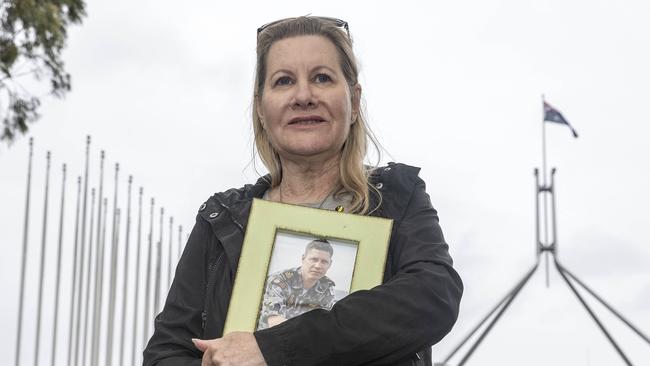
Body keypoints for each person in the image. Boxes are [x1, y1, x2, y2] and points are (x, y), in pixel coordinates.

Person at [143, 16, 463, 366]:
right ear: (261, 109)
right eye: (283, 81)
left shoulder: (398, 196)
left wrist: (273, 349)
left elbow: (434, 295)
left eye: (322, 78)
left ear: (354, 101)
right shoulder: (222, 218)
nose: (303, 96)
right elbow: (166, 354)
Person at [258, 239, 336, 330]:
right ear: (303, 259)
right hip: (267, 337)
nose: (318, 266)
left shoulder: (327, 290)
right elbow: (274, 322)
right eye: (314, 259)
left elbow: (321, 325)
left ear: (330, 264)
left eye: (324, 262)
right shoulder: (279, 281)